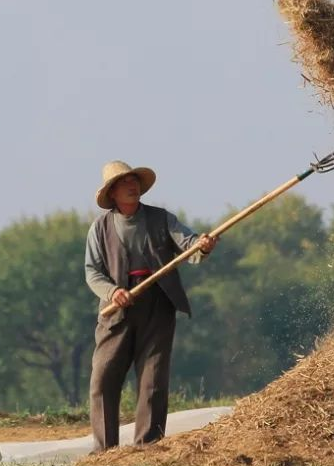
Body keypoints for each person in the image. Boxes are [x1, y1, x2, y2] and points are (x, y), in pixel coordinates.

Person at [84, 160, 218, 452]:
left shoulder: (161, 219)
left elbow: (189, 244)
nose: (131, 186)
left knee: (153, 379)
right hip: (117, 310)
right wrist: (113, 291)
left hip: (158, 304)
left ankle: (148, 447)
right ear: (112, 193)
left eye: (133, 181)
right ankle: (104, 451)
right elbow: (92, 272)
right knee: (103, 377)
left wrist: (202, 245)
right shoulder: (100, 228)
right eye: (123, 183)